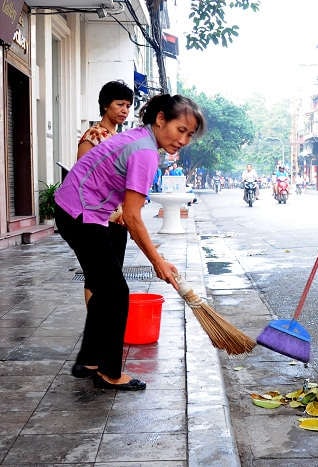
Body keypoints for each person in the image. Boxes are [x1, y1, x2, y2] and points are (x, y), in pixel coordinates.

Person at [54, 94, 206, 391]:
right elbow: (134, 217)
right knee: (115, 292)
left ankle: (88, 361)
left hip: (75, 209)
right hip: (80, 214)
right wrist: (158, 262)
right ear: (161, 119)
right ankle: (109, 372)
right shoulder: (145, 151)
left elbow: (128, 212)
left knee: (104, 288)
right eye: (181, 130)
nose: (184, 140)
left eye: (190, 134)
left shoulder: (140, 138)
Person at [76, 80, 134, 307]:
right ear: (105, 106)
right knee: (96, 274)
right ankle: (95, 323)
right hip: (96, 218)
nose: (125, 110)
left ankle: (107, 322)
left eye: (128, 105)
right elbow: (83, 180)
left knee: (113, 273)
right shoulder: (92, 136)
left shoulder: (122, 139)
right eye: (120, 104)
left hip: (119, 219)